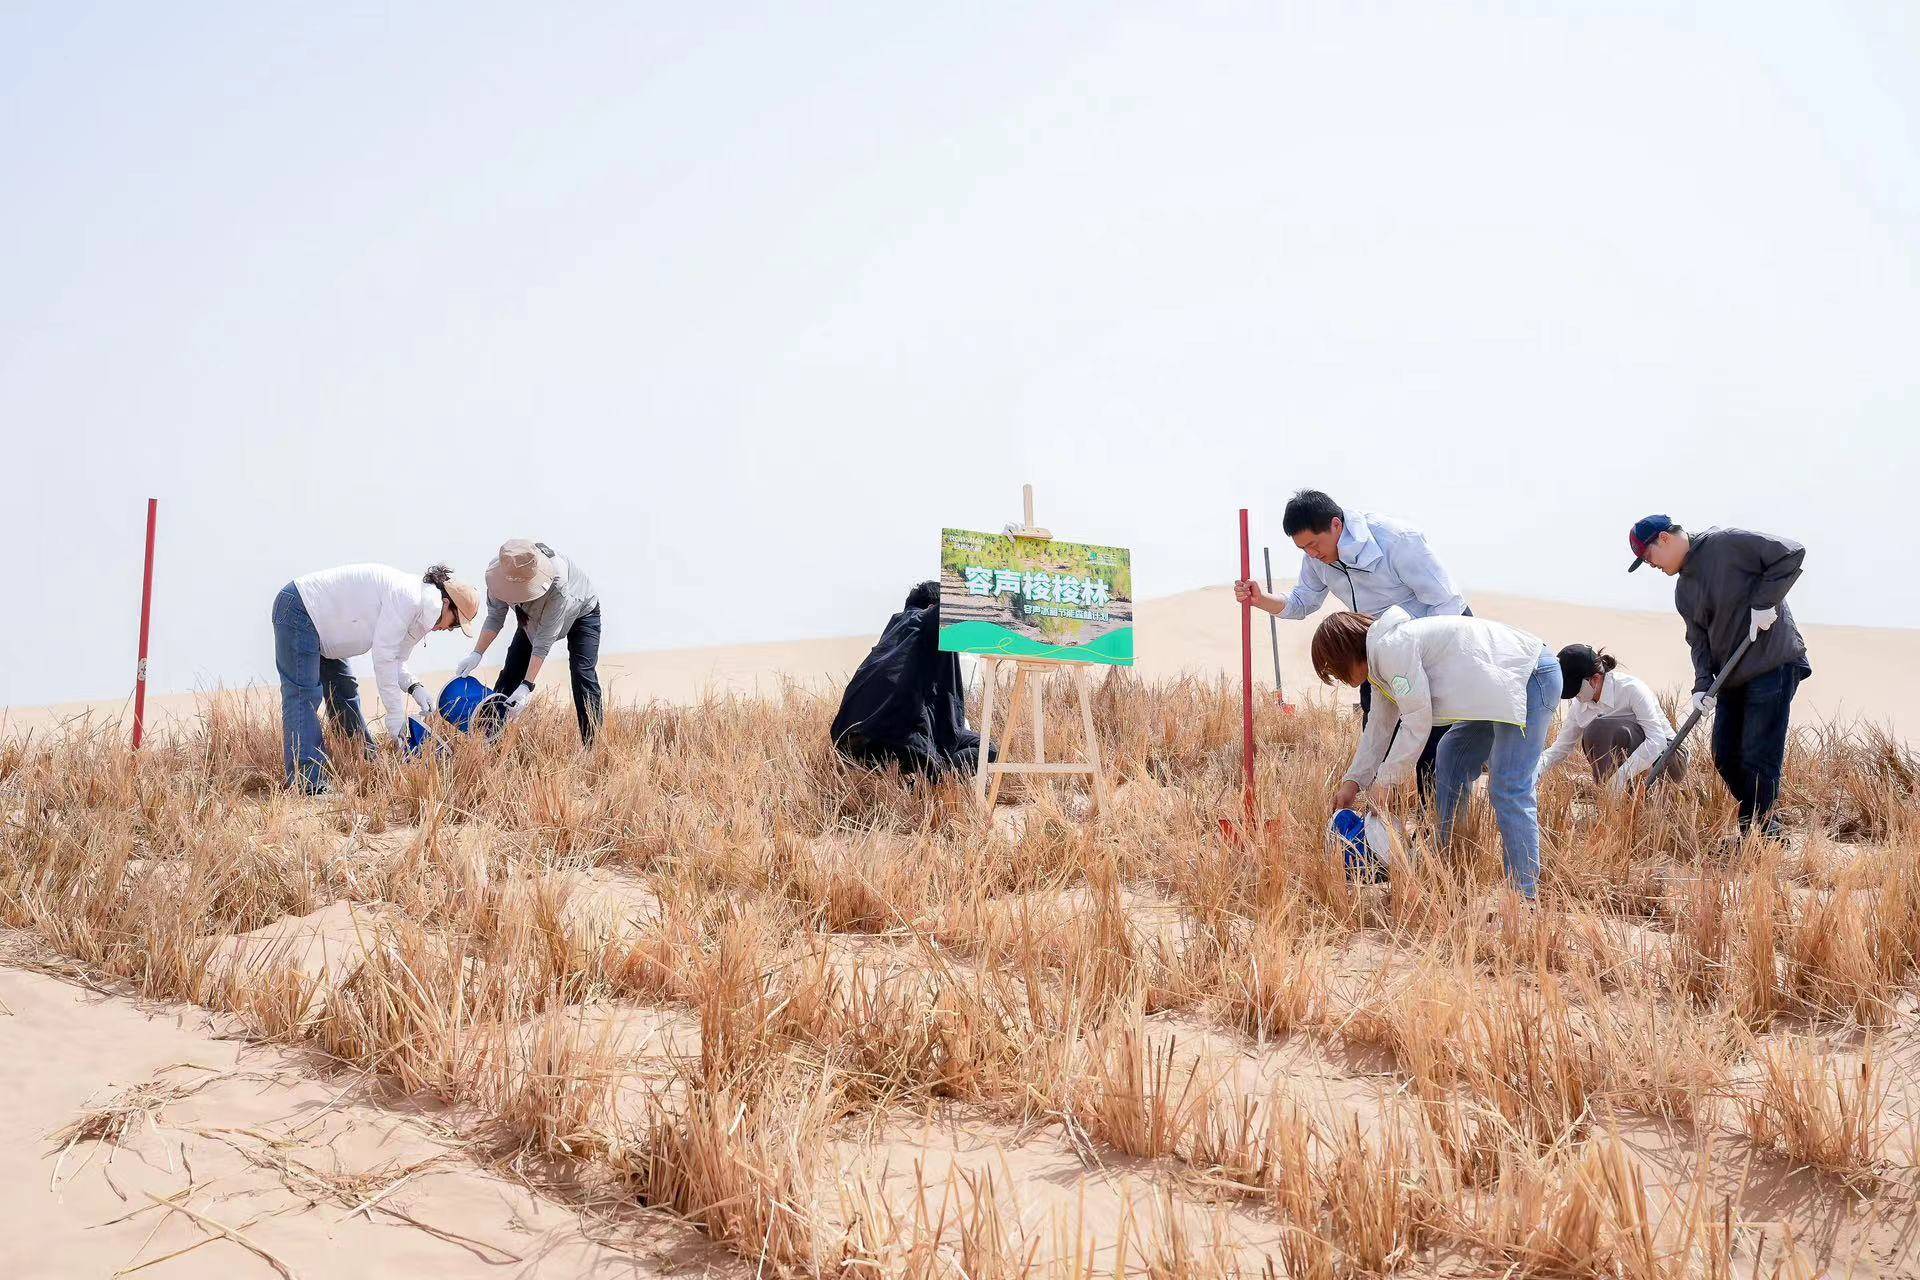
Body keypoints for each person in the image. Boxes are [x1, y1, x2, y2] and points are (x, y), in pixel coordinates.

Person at [1313, 607, 1560, 901]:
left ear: (1344, 652)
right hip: (1493, 692)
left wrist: (1385, 782)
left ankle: (1524, 897)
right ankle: (1446, 860)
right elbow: (1379, 728)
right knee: (1452, 753)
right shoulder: (1381, 665)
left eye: (1333, 670)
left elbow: (1417, 720)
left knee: (1509, 787)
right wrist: (1353, 782)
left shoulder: (1393, 648)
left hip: (1529, 676)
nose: (1337, 678)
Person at [1236, 489, 1470, 795]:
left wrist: (1426, 660)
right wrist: (1260, 599)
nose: (1311, 554)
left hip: (1432, 642)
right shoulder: (1316, 558)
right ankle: (1380, 825)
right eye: (1303, 548)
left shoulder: (1397, 540)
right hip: (1376, 648)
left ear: (1335, 525)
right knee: (1377, 729)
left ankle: (1438, 831)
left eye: (1314, 545)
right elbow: (1302, 601)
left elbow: (1447, 602)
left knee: (1432, 744)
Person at [1627, 514, 1809, 839]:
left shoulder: (1726, 543)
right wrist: (1702, 684)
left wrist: (1765, 603)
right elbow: (1698, 640)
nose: (1650, 565)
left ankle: (1761, 832)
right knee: (1725, 755)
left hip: (1771, 663)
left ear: (1665, 540)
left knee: (1757, 753)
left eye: (1648, 556)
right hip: (1731, 676)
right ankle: (1761, 824)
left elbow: (1791, 553)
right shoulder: (1683, 591)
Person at [272, 562, 480, 793]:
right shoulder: (408, 598)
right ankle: (308, 784)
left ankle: (367, 761)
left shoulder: (418, 612)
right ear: (446, 603)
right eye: (456, 622)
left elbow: (397, 660)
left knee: (344, 690)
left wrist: (414, 686)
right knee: (303, 695)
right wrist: (394, 714)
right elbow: (384, 658)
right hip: (301, 609)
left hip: (326, 628)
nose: (450, 629)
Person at [830, 581, 988, 777]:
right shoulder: (924, 621)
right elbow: (939, 614)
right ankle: (930, 780)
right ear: (932, 607)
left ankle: (924, 776)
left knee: (969, 745)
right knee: (985, 750)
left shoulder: (892, 635)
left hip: (847, 739)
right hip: (897, 735)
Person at [455, 540, 605, 745]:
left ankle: (592, 746)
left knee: (582, 673)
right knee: (510, 673)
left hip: (582, 613)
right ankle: (489, 739)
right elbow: (495, 617)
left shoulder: (557, 581)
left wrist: (527, 686)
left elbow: (544, 639)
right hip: (531, 618)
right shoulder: (499, 571)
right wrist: (476, 654)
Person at [1535, 645, 1680, 792]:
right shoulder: (1580, 704)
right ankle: (1615, 797)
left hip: (1669, 756)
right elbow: (1561, 748)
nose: (1575, 696)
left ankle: (1643, 792)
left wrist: (1620, 777)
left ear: (1595, 679)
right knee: (1595, 732)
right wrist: (1534, 771)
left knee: (1601, 728)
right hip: (1631, 764)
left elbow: (1657, 741)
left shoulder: (1631, 689)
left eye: (1576, 689)